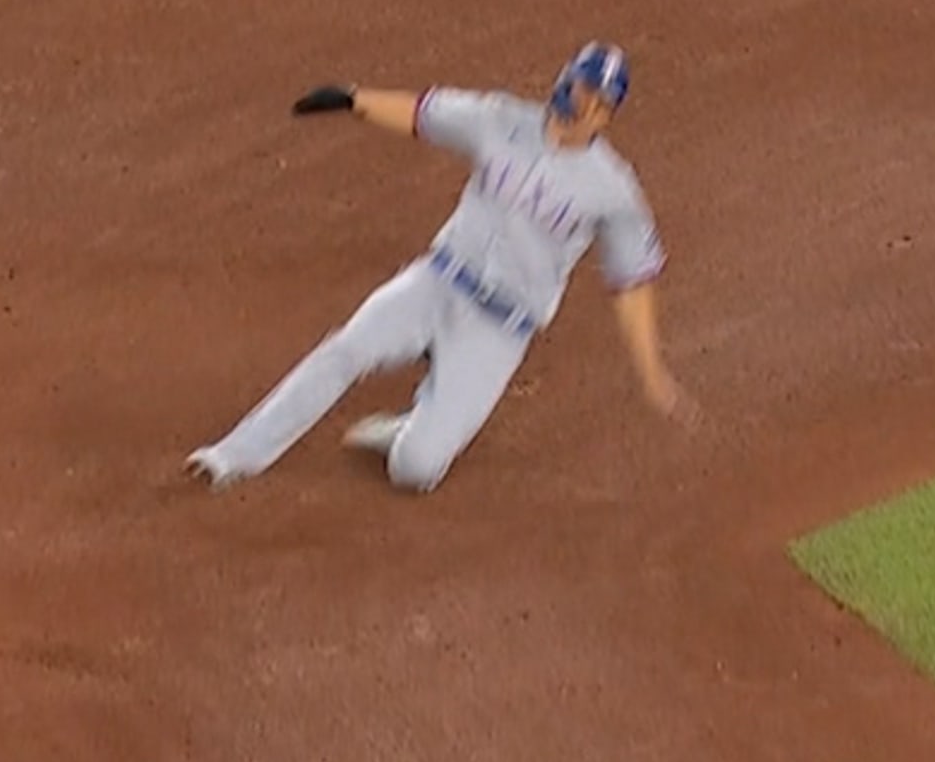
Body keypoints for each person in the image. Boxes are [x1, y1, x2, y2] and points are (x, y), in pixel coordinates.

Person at [185, 41, 696, 494]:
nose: (585, 104)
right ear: (566, 79)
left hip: (500, 327)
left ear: (609, 115)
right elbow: (423, 114)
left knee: (416, 470)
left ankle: (409, 429)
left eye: (599, 101)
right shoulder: (499, 119)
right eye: (583, 88)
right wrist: (354, 99)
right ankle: (232, 456)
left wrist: (651, 372)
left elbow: (632, 284)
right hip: (437, 280)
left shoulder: (612, 189)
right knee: (346, 349)